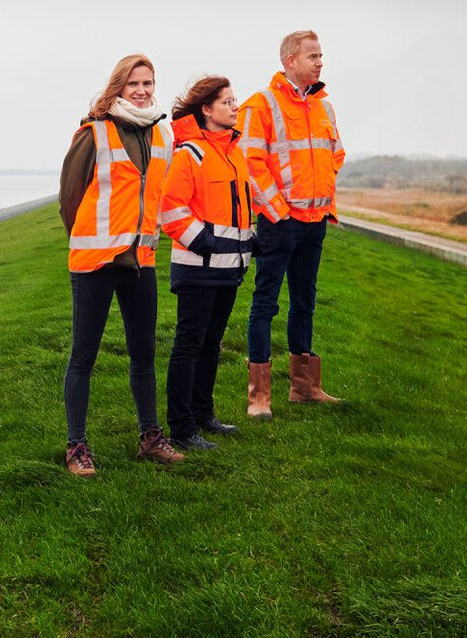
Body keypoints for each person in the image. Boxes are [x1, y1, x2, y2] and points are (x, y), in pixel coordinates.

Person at [59, 53, 183, 476]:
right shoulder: (93, 133)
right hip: (95, 262)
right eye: (134, 84)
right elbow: (69, 199)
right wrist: (88, 241)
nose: (143, 90)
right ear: (118, 87)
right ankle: (77, 446)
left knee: (143, 354)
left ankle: (151, 437)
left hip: (141, 261)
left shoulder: (162, 135)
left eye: (148, 83)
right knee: (83, 357)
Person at [237, 30, 345, 414]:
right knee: (265, 304)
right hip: (279, 222)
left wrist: (324, 203)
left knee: (305, 302)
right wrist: (278, 210)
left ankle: (305, 387)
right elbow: (249, 164)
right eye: (313, 56)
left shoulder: (324, 107)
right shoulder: (260, 105)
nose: (320, 62)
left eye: (321, 55)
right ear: (290, 61)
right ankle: (259, 396)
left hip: (315, 221)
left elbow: (335, 154)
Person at [158, 75, 255, 449]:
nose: (235, 107)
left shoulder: (233, 152)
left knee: (211, 344)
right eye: (228, 102)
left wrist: (252, 243)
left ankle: (203, 414)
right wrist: (208, 244)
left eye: (235, 101)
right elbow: (172, 211)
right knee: (190, 344)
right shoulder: (190, 154)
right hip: (199, 268)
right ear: (206, 109)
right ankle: (181, 429)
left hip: (229, 270)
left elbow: (238, 209)